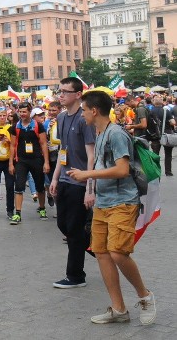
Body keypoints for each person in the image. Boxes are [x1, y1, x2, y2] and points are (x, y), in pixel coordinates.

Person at [68, 90, 156, 325]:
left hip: (123, 202)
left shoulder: (115, 133)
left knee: (118, 252)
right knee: (102, 253)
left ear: (94, 110)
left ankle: (145, 296)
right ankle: (119, 309)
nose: (82, 114)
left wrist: (87, 174)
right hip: (103, 203)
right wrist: (91, 190)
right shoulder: (99, 132)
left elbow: (122, 170)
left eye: (84, 110)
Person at [49, 77, 96, 288]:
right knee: (63, 224)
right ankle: (95, 246)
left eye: (65, 92)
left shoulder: (83, 119)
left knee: (74, 230)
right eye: (59, 91)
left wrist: (90, 186)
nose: (61, 95)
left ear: (78, 95)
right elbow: (63, 150)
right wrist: (55, 177)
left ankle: (76, 276)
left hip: (81, 181)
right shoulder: (60, 117)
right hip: (65, 179)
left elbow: (91, 154)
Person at [8, 102, 49, 224]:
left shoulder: (38, 125)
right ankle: (18, 214)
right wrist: (11, 163)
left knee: (39, 186)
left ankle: (42, 209)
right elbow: (12, 146)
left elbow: (43, 144)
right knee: (19, 186)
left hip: (36, 159)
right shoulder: (15, 127)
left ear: (29, 112)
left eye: (24, 112)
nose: (22, 114)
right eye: (20, 112)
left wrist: (46, 162)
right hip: (21, 160)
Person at [150, 95, 175, 176]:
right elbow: (173, 122)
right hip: (166, 134)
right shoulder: (166, 111)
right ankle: (168, 171)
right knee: (168, 154)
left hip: (155, 135)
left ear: (153, 102)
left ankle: (156, 171)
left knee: (155, 154)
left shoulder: (151, 111)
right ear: (162, 102)